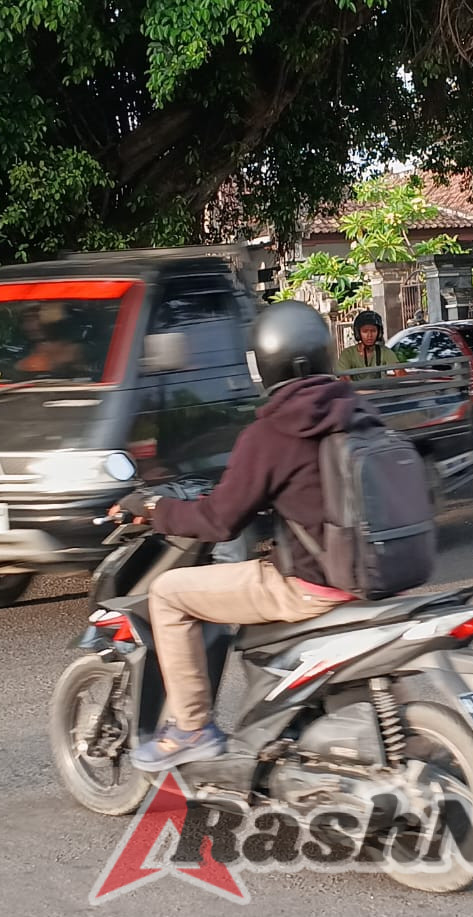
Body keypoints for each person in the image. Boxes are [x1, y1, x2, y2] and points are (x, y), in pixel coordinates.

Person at [109, 300, 365, 771]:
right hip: (377, 576)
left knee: (167, 593)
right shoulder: (357, 411)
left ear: (265, 364)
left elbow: (219, 521)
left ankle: (191, 728)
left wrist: (155, 509)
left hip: (311, 585)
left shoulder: (274, 431)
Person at [336, 310, 398, 380]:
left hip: (379, 387)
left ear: (379, 333)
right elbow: (344, 380)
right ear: (358, 333)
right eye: (365, 331)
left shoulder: (385, 352)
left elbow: (400, 373)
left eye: (373, 331)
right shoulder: (347, 354)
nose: (369, 335)